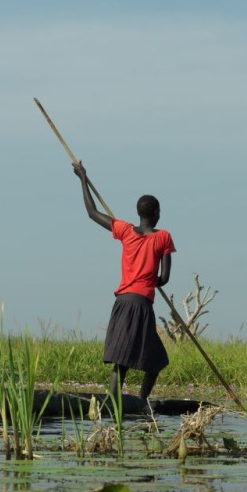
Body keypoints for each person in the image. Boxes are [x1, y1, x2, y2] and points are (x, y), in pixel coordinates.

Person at [74, 161, 175, 404]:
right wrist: (150, 280)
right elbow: (164, 278)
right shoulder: (163, 237)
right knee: (158, 361)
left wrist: (83, 179)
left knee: (121, 360)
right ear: (156, 213)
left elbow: (92, 213)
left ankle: (115, 402)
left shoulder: (126, 231)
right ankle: (140, 401)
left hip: (123, 303)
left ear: (139, 213)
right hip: (141, 304)